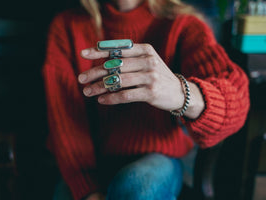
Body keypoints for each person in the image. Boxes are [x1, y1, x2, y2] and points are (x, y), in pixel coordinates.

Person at [42, 0, 250, 199]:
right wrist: (88, 191)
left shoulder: (184, 24)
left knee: (138, 185)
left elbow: (236, 104)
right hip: (87, 168)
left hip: (157, 159)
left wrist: (181, 93)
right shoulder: (67, 26)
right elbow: (65, 122)